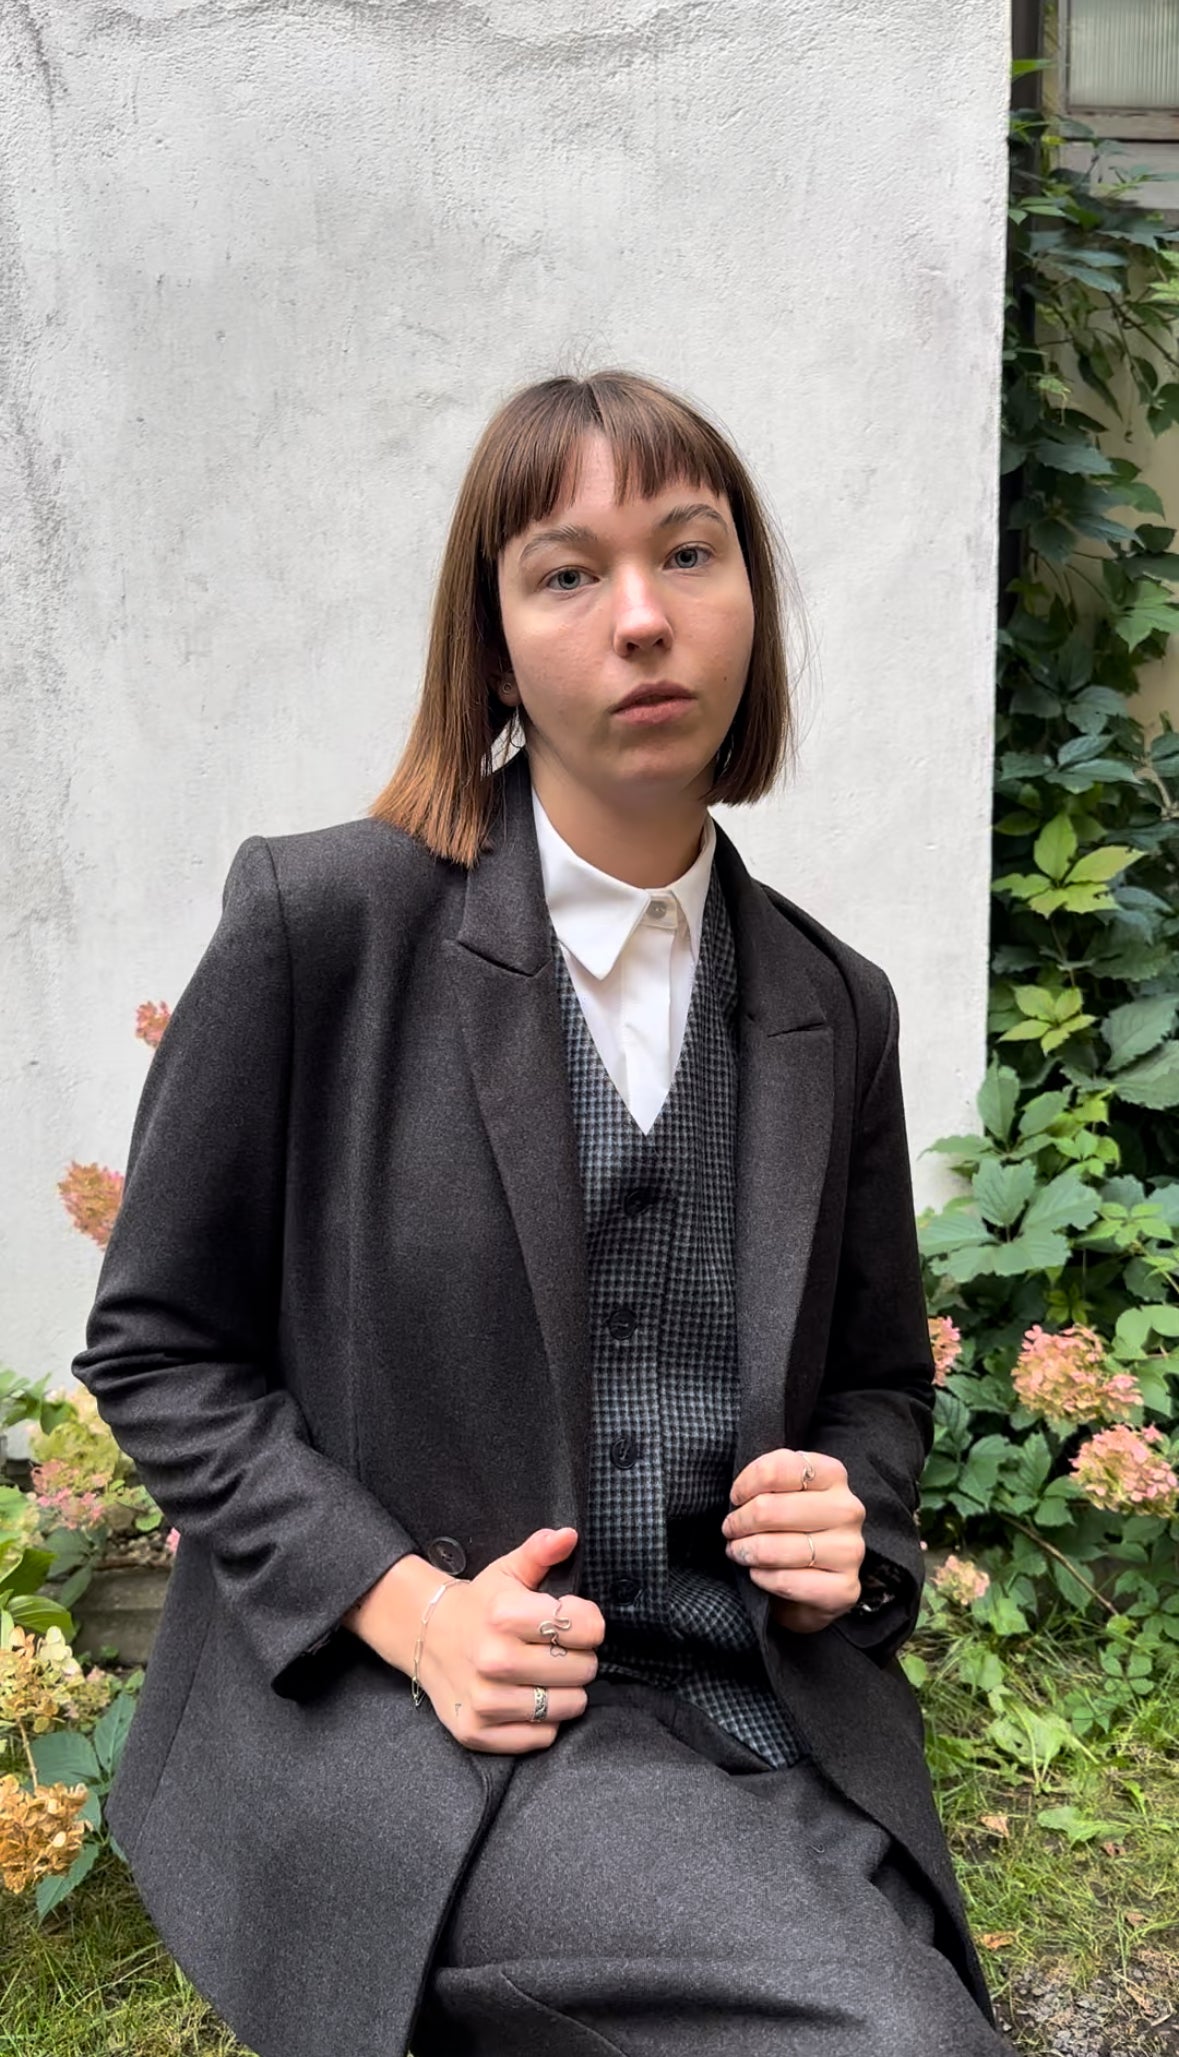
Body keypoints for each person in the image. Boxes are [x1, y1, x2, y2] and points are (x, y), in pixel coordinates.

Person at [72, 367, 1016, 2057]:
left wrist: (842, 1520)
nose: (642, 618)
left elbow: (877, 1384)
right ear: (495, 645)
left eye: (691, 552)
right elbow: (155, 1347)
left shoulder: (831, 1002)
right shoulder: (325, 925)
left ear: (753, 609)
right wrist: (414, 1608)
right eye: (568, 572)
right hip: (437, 1731)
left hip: (748, 1698)